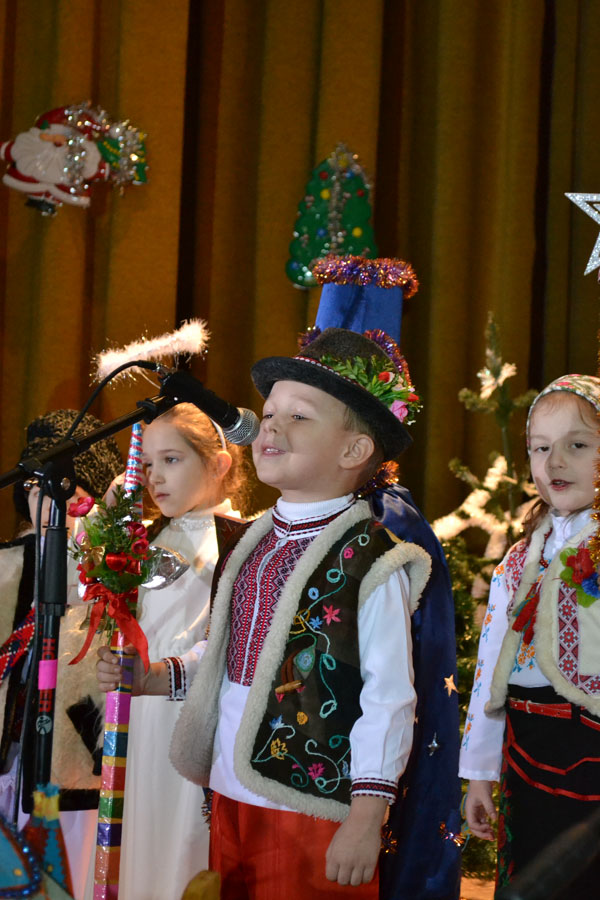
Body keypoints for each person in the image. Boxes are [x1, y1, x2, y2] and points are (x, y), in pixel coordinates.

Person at [98, 327, 434, 899]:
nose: (271, 426)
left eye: (299, 417)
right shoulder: (254, 539)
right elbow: (230, 651)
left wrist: (365, 815)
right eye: (269, 411)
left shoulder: (371, 559)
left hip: (305, 804)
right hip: (230, 790)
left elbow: (389, 698)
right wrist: (158, 677)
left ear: (354, 450)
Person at [99, 403, 247, 900]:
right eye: (147, 465)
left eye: (172, 460)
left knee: (182, 842)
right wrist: (109, 527)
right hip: (142, 714)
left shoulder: (239, 540)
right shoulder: (152, 536)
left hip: (190, 719)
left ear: (219, 464)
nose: (154, 478)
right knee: (141, 835)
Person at [459, 374, 600, 897]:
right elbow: (493, 663)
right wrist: (479, 772)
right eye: (541, 448)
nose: (555, 461)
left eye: (578, 445)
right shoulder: (522, 558)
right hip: (526, 748)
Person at [0, 409, 123, 899]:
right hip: (10, 750)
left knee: (63, 869)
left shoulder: (109, 569)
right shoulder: (7, 562)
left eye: (61, 491)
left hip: (70, 760)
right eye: (32, 487)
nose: (43, 500)